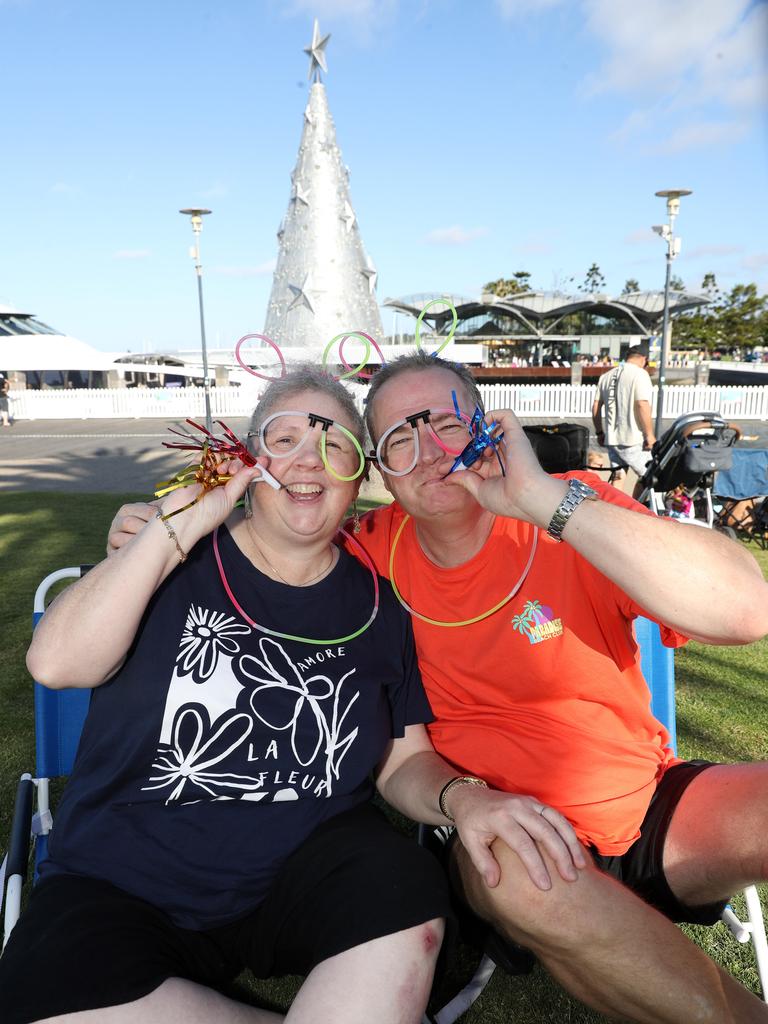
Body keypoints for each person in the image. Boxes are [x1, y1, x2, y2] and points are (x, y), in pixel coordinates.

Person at [108, 353, 768, 1023]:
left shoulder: (568, 505)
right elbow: (264, 559)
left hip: (648, 804)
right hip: (498, 832)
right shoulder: (365, 558)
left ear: (486, 428)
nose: (427, 452)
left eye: (446, 424)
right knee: (535, 884)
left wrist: (540, 501)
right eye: (398, 438)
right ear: (381, 473)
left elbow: (747, 610)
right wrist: (153, 537)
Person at [1, 365, 583, 1024]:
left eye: (335, 444)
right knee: (44, 996)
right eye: (285, 439)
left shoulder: (379, 608)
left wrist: (464, 799)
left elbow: (402, 758)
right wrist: (173, 526)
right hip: (123, 878)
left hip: (303, 869)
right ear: (249, 462)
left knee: (406, 892)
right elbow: (55, 664)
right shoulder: (171, 562)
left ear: (357, 478)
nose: (310, 458)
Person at [592, 344, 655, 493]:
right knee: (649, 475)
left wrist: (600, 432)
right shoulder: (640, 374)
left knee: (618, 477)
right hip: (633, 439)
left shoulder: (606, 376)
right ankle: (637, 509)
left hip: (612, 439)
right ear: (644, 359)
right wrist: (649, 435)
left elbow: (596, 406)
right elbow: (642, 404)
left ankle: (616, 509)